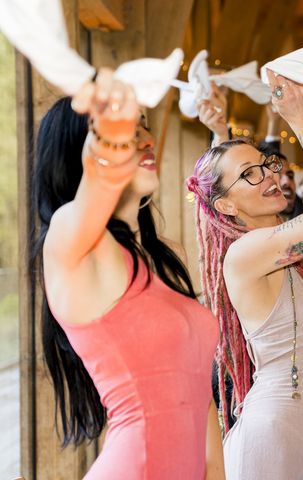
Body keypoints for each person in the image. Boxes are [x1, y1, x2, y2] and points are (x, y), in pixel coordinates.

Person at [32, 71, 225, 479]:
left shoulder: (159, 259)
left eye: (143, 126)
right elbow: (102, 175)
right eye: (120, 130)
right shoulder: (71, 240)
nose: (145, 139)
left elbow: (197, 399)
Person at [187, 71, 303, 479]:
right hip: (273, 439)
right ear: (227, 208)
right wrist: (300, 117)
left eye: (266, 165)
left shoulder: (289, 256)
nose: (270, 175)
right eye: (249, 174)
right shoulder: (246, 254)